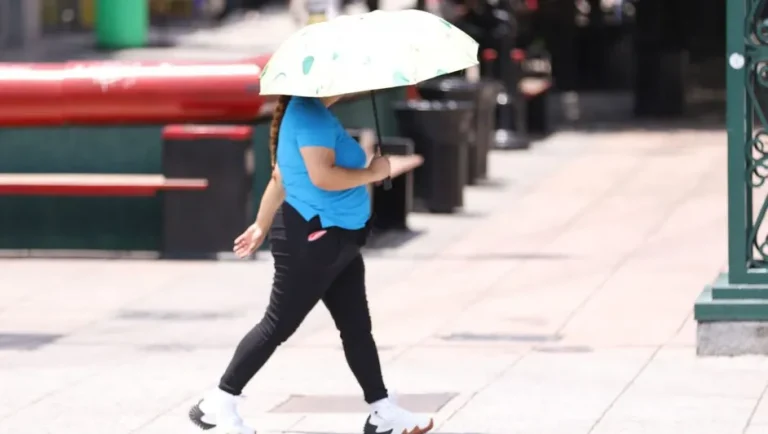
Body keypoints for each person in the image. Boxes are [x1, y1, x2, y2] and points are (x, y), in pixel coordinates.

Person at [188, 95, 435, 434]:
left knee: (357, 328)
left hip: (341, 239)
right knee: (278, 324)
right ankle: (218, 402)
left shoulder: (315, 114)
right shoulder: (309, 114)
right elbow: (323, 177)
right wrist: (372, 173)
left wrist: (261, 224)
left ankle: (382, 412)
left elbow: (280, 176)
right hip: (314, 238)